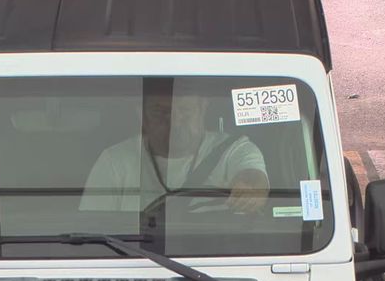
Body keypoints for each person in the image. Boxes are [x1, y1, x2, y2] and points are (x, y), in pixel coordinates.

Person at [81, 83, 269, 216]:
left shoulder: (233, 149)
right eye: (160, 112)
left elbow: (253, 175)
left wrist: (249, 189)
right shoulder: (114, 160)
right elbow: (93, 226)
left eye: (185, 111)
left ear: (203, 108)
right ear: (142, 115)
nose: (174, 121)